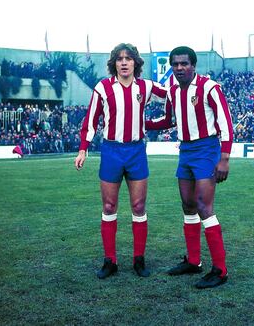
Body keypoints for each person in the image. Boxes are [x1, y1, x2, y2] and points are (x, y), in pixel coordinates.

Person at [74, 43, 166, 279]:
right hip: (111, 152)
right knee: (108, 207)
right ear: (114, 63)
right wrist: (83, 149)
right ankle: (110, 261)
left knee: (138, 207)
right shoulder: (103, 88)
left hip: (136, 152)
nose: (124, 62)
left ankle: (139, 260)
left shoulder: (146, 87)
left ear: (136, 62)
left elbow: (173, 95)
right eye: (119, 59)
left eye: (128, 58)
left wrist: (162, 121)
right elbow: (91, 120)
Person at [146, 46, 233, 289]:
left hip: (207, 150)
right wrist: (140, 123)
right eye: (175, 64)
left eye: (184, 64)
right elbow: (166, 120)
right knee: (188, 205)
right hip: (185, 150)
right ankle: (194, 261)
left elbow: (225, 122)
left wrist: (224, 158)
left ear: (193, 65)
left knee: (205, 207)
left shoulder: (209, 87)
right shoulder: (172, 92)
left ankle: (221, 270)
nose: (179, 68)